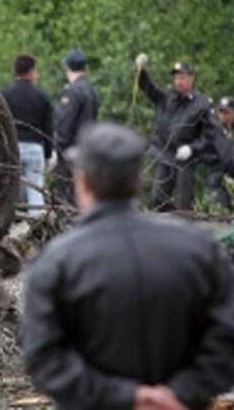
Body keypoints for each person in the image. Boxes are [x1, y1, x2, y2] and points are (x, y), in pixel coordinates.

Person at [22, 122, 234, 410]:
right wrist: (179, 393)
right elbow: (226, 341)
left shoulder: (57, 261)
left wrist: (127, 397)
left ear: (82, 181)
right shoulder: (201, 249)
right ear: (137, 179)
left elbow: (44, 359)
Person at [135, 54, 216, 211]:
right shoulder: (167, 97)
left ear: (191, 78)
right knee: (157, 199)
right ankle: (170, 227)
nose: (178, 81)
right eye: (176, 77)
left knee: (183, 204)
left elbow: (209, 135)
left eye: (182, 77)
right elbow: (147, 87)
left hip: (186, 159)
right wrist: (141, 71)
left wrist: (192, 148)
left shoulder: (202, 104)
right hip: (165, 155)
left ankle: (184, 227)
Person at [1, 54, 54, 217]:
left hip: (12, 148)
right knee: (35, 191)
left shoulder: (5, 95)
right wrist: (48, 154)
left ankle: (11, 225)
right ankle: (35, 229)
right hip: (35, 147)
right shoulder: (42, 96)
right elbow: (48, 128)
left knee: (10, 191)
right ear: (31, 71)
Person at [53, 50, 99, 205]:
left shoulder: (73, 91)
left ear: (67, 67)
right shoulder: (91, 89)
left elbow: (65, 124)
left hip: (70, 153)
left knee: (68, 200)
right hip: (87, 149)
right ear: (85, 68)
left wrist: (56, 149)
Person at [204, 97, 234, 210]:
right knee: (219, 214)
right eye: (221, 111)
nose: (223, 115)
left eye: (227, 112)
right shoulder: (213, 131)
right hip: (217, 180)